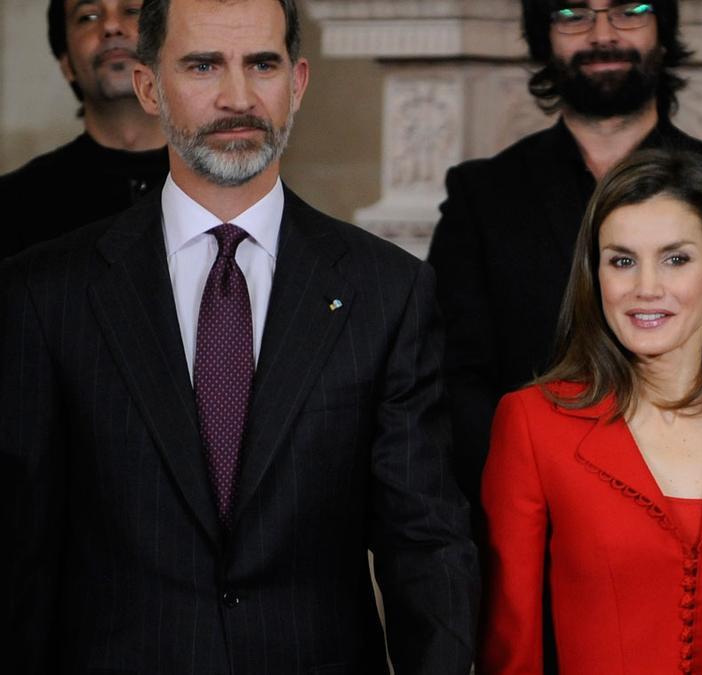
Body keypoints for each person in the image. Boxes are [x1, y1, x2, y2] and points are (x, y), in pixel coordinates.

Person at [0, 0, 478, 672]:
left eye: (262, 64)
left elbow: (424, 542)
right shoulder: (44, 294)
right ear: (149, 86)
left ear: (297, 82)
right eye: (202, 65)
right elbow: (19, 551)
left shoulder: (387, 291)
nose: (238, 96)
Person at [428, 0, 702, 511]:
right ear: (543, 34)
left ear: (663, 29)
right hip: (524, 517)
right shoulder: (482, 197)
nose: (603, 33)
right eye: (573, 13)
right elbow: (452, 379)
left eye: (630, 10)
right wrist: (526, 495)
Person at [479, 149, 702, 675]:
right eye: (622, 260)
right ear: (597, 275)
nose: (646, 288)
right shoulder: (532, 423)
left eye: (676, 258)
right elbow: (513, 647)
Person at [0, 0, 168, 260]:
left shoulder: (225, 184)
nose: (111, 26)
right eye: (88, 17)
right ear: (66, 65)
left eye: (133, 11)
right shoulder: (12, 205)